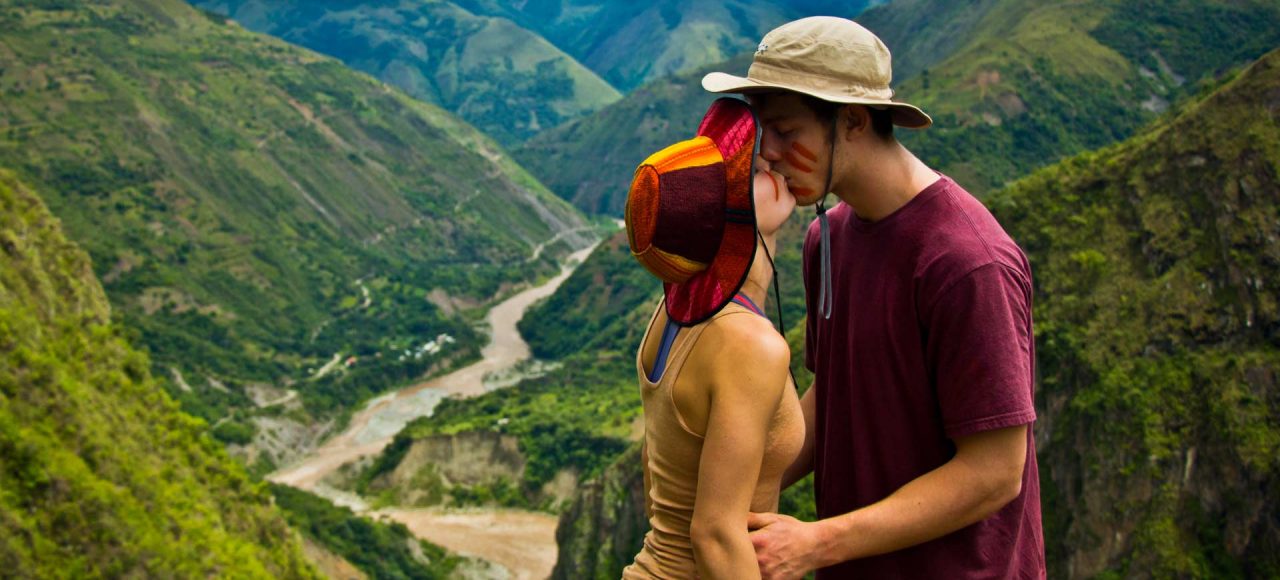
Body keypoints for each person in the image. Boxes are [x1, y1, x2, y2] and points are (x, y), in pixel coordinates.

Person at [701, 17, 1047, 579]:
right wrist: (727, 485)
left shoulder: (966, 262)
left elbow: (995, 472)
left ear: (854, 121)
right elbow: (834, 390)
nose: (770, 156)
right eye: (767, 135)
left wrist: (818, 543)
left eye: (789, 133)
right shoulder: (826, 238)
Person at [621, 98, 804, 579]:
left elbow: (656, 474)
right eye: (748, 175)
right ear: (733, 218)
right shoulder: (749, 345)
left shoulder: (672, 311)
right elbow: (717, 537)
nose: (767, 160)